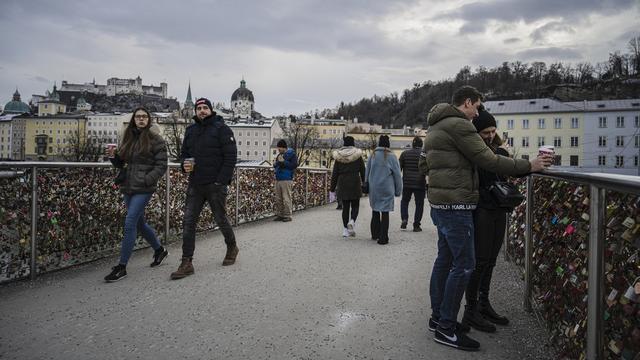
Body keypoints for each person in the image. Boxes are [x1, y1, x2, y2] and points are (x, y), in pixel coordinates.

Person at [421, 86, 552, 351]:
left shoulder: (435, 126)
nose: (478, 112)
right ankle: (446, 328)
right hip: (457, 206)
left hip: (440, 204)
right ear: (467, 102)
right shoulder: (459, 125)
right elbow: (489, 160)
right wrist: (530, 166)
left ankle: (438, 319)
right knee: (464, 265)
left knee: (444, 261)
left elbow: (424, 165)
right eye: (478, 106)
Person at [171, 98, 238, 280]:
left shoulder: (222, 129)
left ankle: (232, 246)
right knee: (188, 222)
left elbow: (231, 157)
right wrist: (184, 165)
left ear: (211, 110)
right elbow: (184, 155)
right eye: (199, 108)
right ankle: (186, 262)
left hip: (215, 184)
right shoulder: (191, 130)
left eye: (205, 108)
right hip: (196, 184)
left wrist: (221, 182)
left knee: (221, 219)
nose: (201, 111)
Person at [462, 109, 513, 333]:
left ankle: (484, 304)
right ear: (477, 131)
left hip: (498, 209)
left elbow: (504, 174)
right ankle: (471, 310)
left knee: (491, 259)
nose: (491, 135)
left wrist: (505, 156)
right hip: (482, 209)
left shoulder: (498, 149)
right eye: (485, 132)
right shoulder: (474, 151)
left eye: (493, 131)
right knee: (480, 261)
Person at [104, 107, 169, 282]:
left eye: (144, 117)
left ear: (149, 120)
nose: (141, 119)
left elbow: (161, 165)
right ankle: (159, 250)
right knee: (139, 224)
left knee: (130, 221)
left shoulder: (156, 139)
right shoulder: (128, 138)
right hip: (128, 185)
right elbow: (121, 164)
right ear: (134, 119)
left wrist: (148, 180)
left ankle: (122, 267)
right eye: (138, 117)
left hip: (144, 188)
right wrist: (113, 156)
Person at [365, 135, 402, 245]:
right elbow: (397, 176)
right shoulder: (392, 156)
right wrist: (398, 191)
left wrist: (366, 183)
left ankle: (374, 233)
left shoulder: (373, 155)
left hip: (374, 188)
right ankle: (383, 237)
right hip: (387, 188)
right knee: (385, 213)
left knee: (375, 210)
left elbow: (367, 172)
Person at [330, 136, 365, 237]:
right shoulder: (358, 156)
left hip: (342, 183)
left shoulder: (339, 157)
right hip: (355, 182)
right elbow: (363, 171)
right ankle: (352, 221)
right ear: (353, 143)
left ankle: (345, 230)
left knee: (345, 207)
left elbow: (335, 174)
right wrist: (365, 183)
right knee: (355, 205)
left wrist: (332, 189)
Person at [399, 136, 427, 232]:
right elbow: (427, 169)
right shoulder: (424, 155)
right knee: (419, 204)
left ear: (413, 144)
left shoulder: (404, 154)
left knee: (405, 201)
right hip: (420, 183)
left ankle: (404, 218)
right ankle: (416, 225)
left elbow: (399, 168)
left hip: (407, 183)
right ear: (421, 145)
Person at [273, 139, 297, 222]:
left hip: (286, 179)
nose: (278, 149)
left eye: (280, 148)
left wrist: (283, 162)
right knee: (278, 198)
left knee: (286, 198)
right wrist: (276, 164)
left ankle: (287, 215)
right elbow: (277, 164)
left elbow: (293, 165)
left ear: (284, 147)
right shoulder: (280, 155)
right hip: (278, 178)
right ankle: (280, 214)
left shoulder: (292, 154)